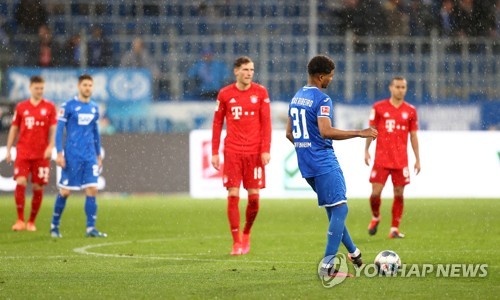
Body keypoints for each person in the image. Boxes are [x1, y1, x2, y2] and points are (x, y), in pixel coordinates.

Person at [286, 55, 377, 277]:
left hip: (305, 162)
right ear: (320, 76)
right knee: (341, 209)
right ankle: (327, 267)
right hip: (323, 161)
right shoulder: (322, 99)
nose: (331, 80)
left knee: (334, 209)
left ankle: (354, 253)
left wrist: (306, 148)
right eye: (330, 76)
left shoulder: (297, 97)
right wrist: (359, 132)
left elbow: (289, 133)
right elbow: (326, 131)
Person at [211, 56, 272, 256]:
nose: (249, 73)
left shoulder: (261, 92)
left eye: (252, 70)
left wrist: (265, 149)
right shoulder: (225, 94)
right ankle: (236, 241)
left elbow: (266, 123)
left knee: (254, 199)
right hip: (233, 152)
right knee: (233, 195)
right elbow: (217, 123)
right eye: (245, 69)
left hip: (254, 152)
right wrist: (214, 152)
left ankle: (246, 233)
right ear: (236, 71)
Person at [50, 74, 107, 238]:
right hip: (72, 156)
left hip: (89, 156)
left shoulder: (94, 108)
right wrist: (59, 153)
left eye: (90, 85)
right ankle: (54, 226)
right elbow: (60, 130)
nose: (87, 88)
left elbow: (95, 132)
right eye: (85, 85)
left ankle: (91, 228)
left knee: (92, 189)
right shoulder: (68, 106)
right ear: (78, 86)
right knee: (65, 192)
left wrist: (98, 154)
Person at [364, 76, 420, 239]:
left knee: (399, 193)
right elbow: (372, 129)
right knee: (375, 193)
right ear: (390, 88)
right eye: (397, 87)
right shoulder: (379, 107)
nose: (400, 90)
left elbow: (414, 136)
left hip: (400, 160)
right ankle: (376, 217)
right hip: (381, 159)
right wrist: (366, 149)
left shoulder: (410, 110)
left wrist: (417, 159)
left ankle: (394, 228)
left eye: (403, 87)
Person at [5, 75, 57, 231]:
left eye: (42, 88)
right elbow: (14, 128)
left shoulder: (49, 107)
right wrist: (8, 148)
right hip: (23, 152)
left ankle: (31, 221)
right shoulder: (21, 107)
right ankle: (20, 219)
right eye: (37, 88)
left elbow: (54, 129)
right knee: (20, 181)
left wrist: (51, 146)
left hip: (41, 154)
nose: (39, 91)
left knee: (38, 186)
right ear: (30, 88)